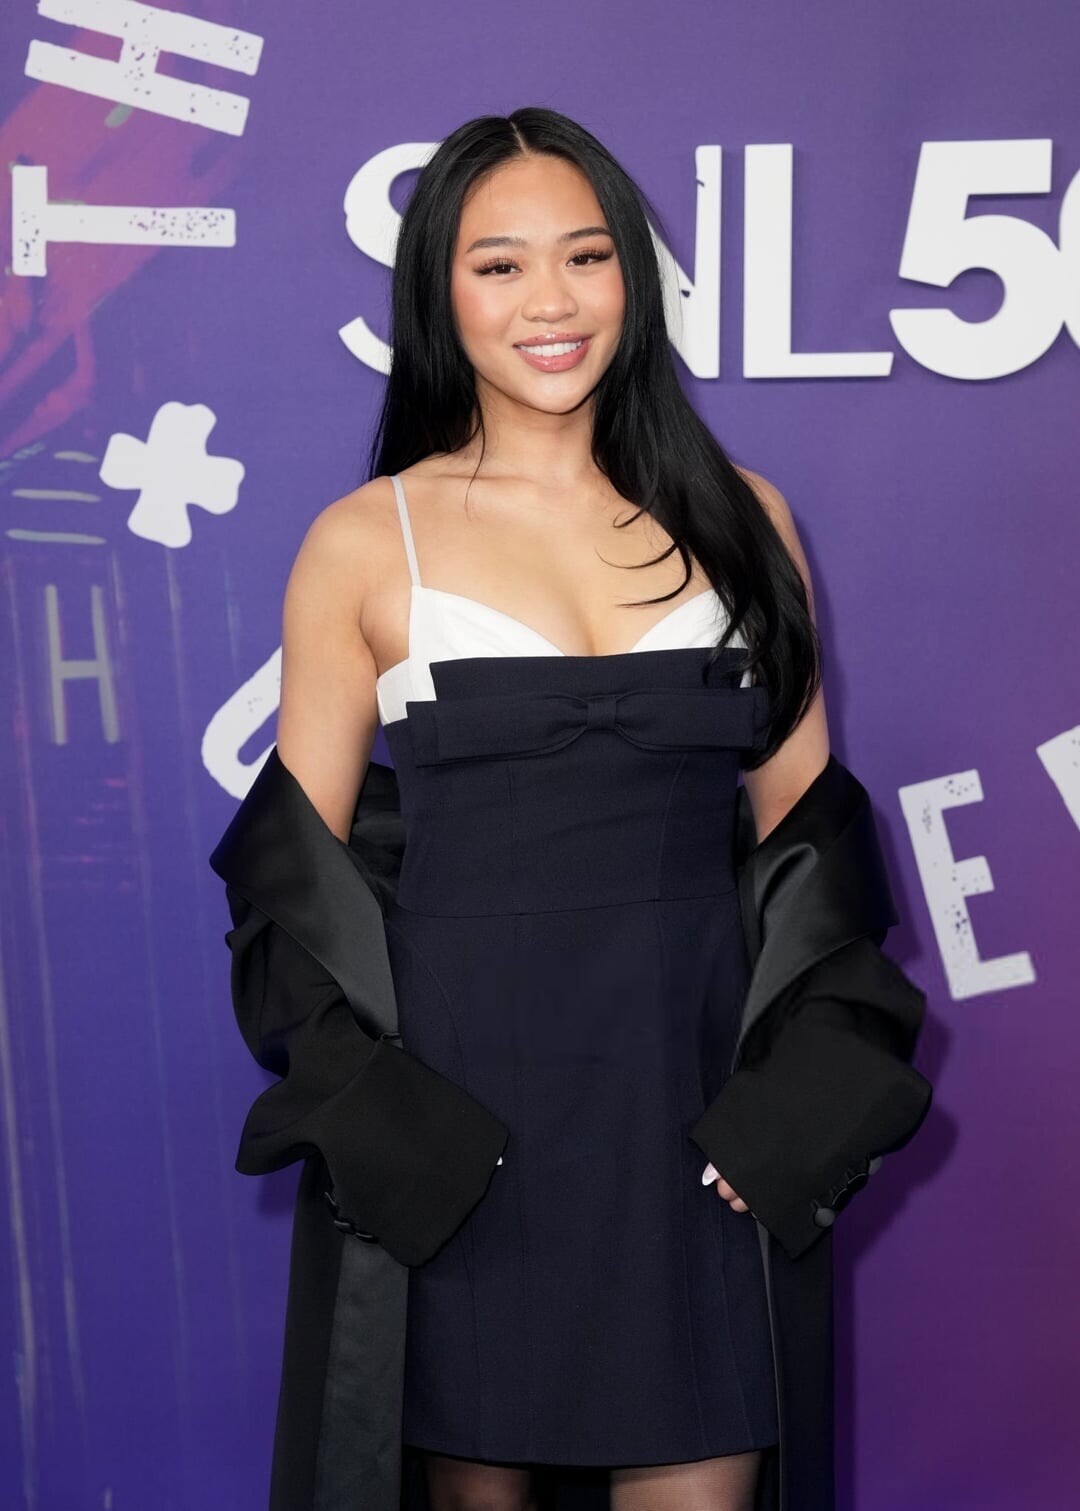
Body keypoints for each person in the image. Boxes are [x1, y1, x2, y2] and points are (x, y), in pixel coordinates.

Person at [216, 107, 932, 1511]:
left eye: (586, 256)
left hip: (696, 1132)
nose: (550, 301)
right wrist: (392, 1137)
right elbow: (290, 895)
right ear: (440, 292)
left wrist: (800, 1110)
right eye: (500, 265)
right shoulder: (366, 540)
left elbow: (818, 859)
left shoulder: (747, 518)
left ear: (632, 279)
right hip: (464, 1149)